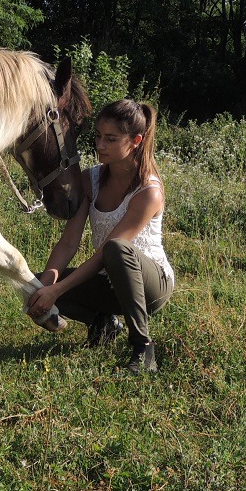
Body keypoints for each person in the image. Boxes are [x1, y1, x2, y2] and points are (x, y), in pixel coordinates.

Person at [26, 99, 174, 373]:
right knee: (34, 284)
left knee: (116, 248)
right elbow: (69, 242)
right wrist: (46, 283)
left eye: (111, 139)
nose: (100, 145)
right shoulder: (89, 179)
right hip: (110, 281)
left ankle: (144, 349)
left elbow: (106, 252)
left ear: (136, 141)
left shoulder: (148, 191)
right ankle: (102, 323)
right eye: (97, 136)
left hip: (151, 287)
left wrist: (58, 290)